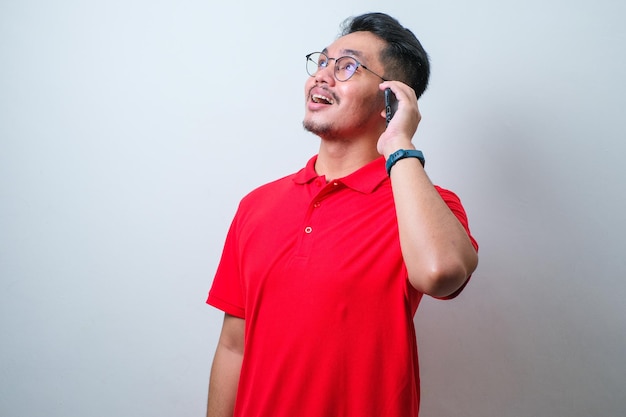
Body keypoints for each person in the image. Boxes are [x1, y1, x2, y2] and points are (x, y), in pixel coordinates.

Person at [205, 12, 479, 417]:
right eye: (322, 62)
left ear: (392, 98)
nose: (322, 76)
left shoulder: (426, 205)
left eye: (347, 66)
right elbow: (233, 345)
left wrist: (399, 144)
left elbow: (441, 273)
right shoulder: (257, 206)